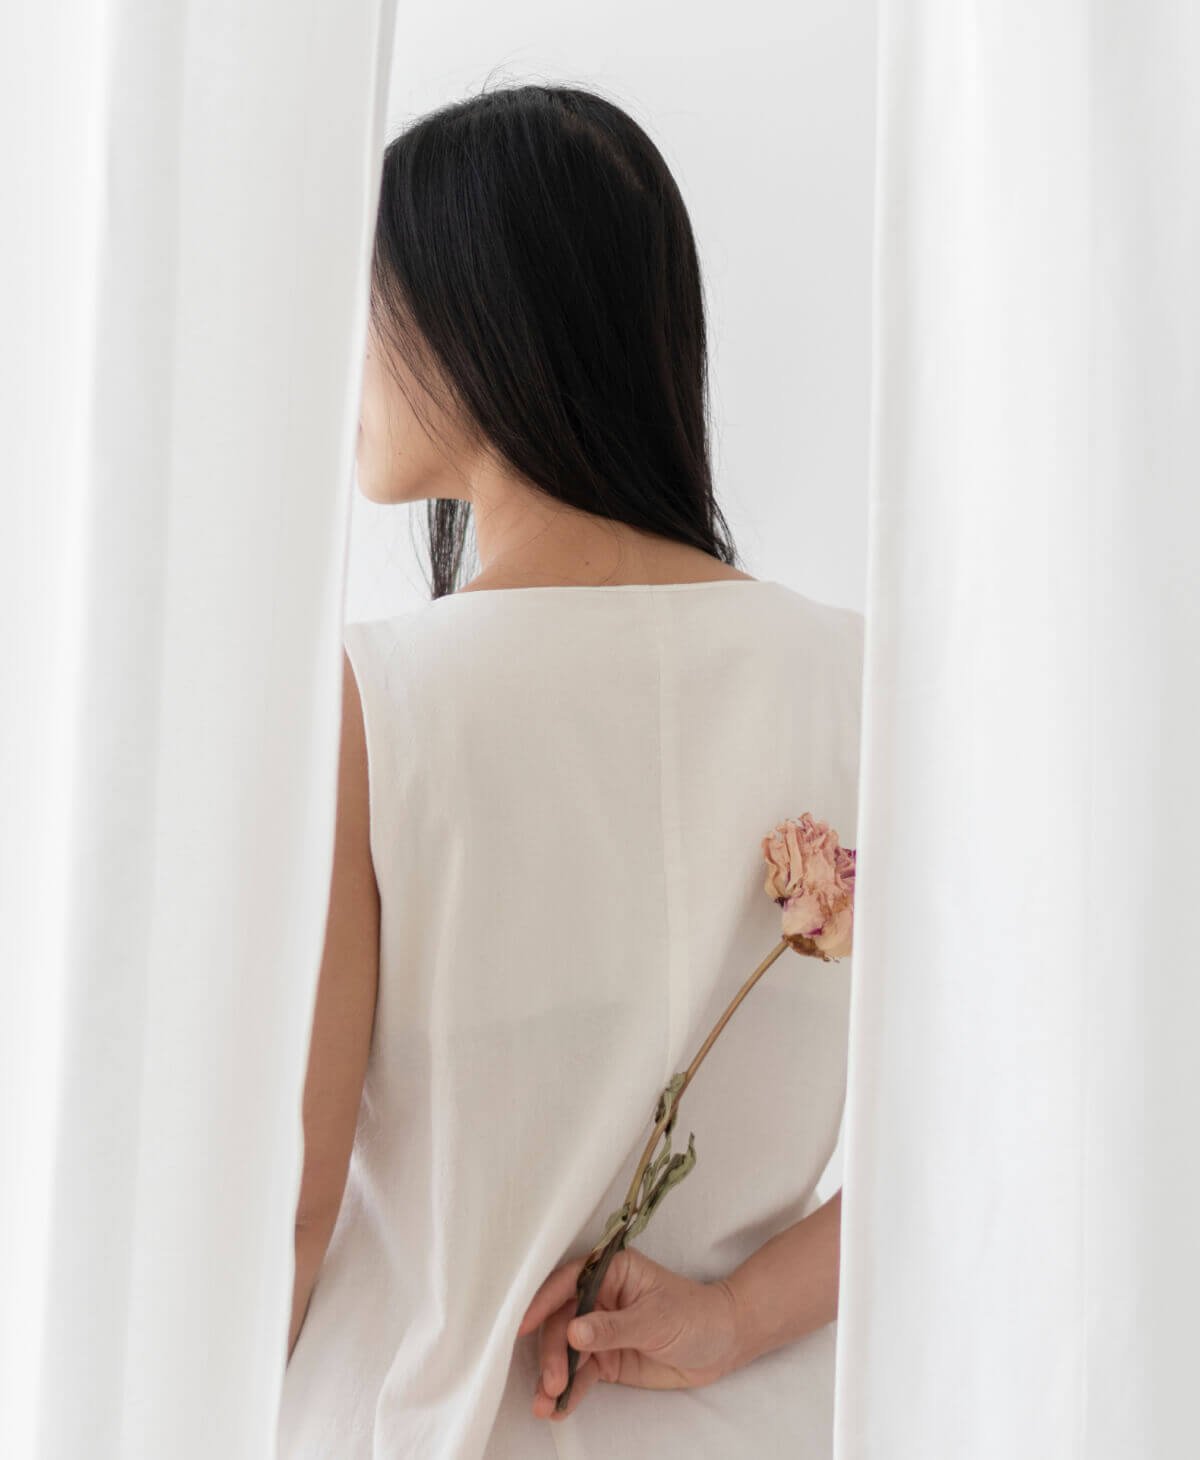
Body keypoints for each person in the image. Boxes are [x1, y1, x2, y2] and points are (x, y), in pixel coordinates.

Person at [276, 81, 864, 1460]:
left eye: (369, 295)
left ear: (475, 320)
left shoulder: (378, 701)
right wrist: (737, 1314)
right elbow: (979, 1121)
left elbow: (296, 1197)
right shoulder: (862, 679)